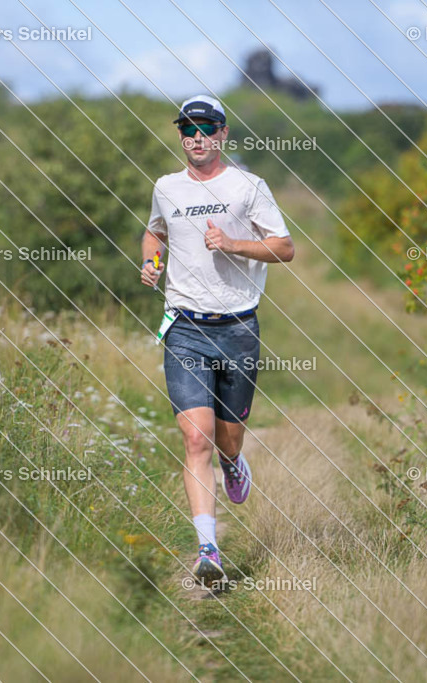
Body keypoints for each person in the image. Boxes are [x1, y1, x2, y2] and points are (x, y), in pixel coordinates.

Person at [140, 95, 295, 586]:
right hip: (185, 326)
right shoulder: (166, 187)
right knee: (195, 438)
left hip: (239, 328)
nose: (196, 136)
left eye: (206, 127)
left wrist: (231, 244)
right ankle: (208, 551)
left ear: (223, 134)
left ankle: (235, 461)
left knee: (226, 440)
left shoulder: (248, 186)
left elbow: (284, 248)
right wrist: (152, 261)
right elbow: (155, 233)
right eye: (188, 128)